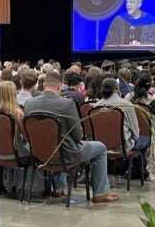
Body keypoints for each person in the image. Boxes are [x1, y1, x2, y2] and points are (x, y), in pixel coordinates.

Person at [24, 71, 118, 203]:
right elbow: (77, 135)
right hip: (65, 155)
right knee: (101, 148)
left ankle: (59, 187)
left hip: (38, 155)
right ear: (59, 86)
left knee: (57, 142)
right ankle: (100, 193)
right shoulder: (67, 104)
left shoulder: (29, 103)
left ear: (44, 85)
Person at [92, 77, 150, 157]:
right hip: (121, 147)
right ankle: (139, 168)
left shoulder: (96, 106)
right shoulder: (126, 105)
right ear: (117, 88)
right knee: (146, 138)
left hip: (101, 145)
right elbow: (136, 133)